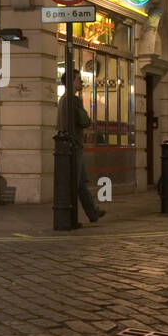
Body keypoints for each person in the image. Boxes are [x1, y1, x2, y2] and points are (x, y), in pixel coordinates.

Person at [57, 69, 104, 225]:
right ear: (71, 81)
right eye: (78, 79)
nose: (81, 82)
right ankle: (70, 218)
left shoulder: (63, 99)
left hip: (69, 145)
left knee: (80, 181)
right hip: (74, 145)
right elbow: (85, 121)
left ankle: (93, 212)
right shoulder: (73, 100)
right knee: (74, 182)